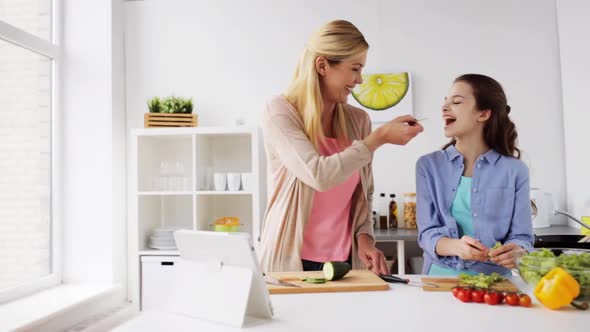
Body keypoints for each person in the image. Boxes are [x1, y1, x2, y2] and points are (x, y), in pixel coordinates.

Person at [259, 20, 423, 274]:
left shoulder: (358, 120)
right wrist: (378, 138)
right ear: (323, 65)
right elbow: (319, 175)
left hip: (345, 263)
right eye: (355, 69)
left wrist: (365, 237)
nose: (359, 80)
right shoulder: (280, 112)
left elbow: (364, 194)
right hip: (290, 263)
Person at [416, 74, 533, 276]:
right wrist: (456, 247)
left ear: (483, 114)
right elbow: (427, 234)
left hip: (495, 281)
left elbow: (522, 236)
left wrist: (517, 251)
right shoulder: (428, 166)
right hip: (440, 278)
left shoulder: (515, 170)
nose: (444, 108)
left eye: (457, 102)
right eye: (445, 101)